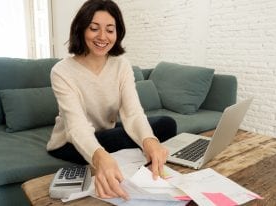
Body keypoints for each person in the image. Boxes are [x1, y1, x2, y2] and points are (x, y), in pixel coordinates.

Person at [46, 0, 177, 200]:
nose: (102, 37)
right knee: (127, 138)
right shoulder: (62, 71)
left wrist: (149, 141)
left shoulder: (121, 65)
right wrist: (100, 157)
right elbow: (77, 127)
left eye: (110, 30)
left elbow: (133, 113)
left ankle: (144, 164)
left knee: (165, 124)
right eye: (94, 28)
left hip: (104, 133)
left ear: (118, 33)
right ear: (81, 29)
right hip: (70, 142)